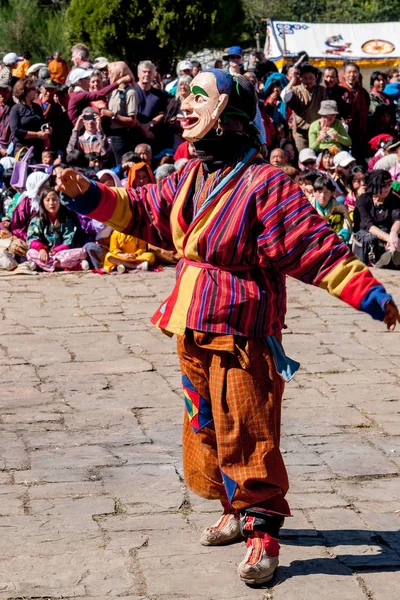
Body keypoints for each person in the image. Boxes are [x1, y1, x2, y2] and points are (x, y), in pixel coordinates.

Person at [58, 69, 399, 586]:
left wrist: (369, 294)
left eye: (200, 99)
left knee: (248, 425)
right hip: (191, 321)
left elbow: (315, 246)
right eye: (185, 100)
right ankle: (233, 508)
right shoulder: (188, 176)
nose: (185, 109)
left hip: (244, 324)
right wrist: (88, 195)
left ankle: (264, 529)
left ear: (230, 119)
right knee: (205, 424)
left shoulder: (267, 184)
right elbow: (144, 212)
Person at [26, 188, 86, 271]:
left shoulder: (67, 218)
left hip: (62, 253)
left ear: (59, 201)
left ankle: (44, 265)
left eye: (54, 200)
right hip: (45, 253)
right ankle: (62, 265)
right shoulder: (37, 219)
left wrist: (57, 250)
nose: (51, 203)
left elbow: (69, 240)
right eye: (47, 200)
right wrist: (41, 249)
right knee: (31, 253)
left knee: (81, 252)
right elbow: (32, 238)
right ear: (42, 202)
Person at [353, 169, 400, 268]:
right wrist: (389, 238)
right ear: (374, 185)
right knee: (371, 239)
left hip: (389, 236)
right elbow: (367, 225)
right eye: (383, 185)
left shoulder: (393, 199)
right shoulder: (362, 200)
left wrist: (394, 233)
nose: (387, 187)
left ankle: (391, 255)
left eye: (389, 184)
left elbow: (397, 218)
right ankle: (386, 259)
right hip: (370, 237)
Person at [281, 64, 327, 151]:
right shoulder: (296, 90)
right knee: (301, 156)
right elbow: (285, 97)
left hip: (317, 130)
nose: (308, 81)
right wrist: (293, 79)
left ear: (316, 77)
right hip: (300, 131)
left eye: (311, 78)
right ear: (301, 78)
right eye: (305, 78)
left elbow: (326, 109)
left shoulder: (321, 90)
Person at [100, 62, 137, 164]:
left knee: (119, 166)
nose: (108, 74)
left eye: (111, 71)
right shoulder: (111, 90)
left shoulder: (130, 92)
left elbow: (132, 121)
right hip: (108, 134)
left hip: (121, 137)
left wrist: (112, 115)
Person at [10, 171, 51, 257]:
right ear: (36, 187)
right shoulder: (25, 204)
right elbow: (18, 228)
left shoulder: (51, 200)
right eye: (44, 187)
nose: (48, 190)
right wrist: (34, 240)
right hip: (30, 239)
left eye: (48, 187)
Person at [9, 78, 50, 161]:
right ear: (25, 91)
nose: (36, 91)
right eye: (33, 89)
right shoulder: (16, 109)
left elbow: (42, 123)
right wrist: (37, 135)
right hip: (23, 150)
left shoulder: (37, 107)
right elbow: (15, 131)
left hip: (38, 149)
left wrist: (48, 129)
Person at [342, 63, 370, 162]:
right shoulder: (340, 90)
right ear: (344, 74)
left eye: (355, 72)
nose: (352, 75)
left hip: (360, 131)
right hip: (344, 131)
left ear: (358, 74)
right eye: (349, 72)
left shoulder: (363, 92)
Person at [311, 175, 352, 244]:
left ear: (332, 193)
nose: (322, 196)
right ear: (314, 193)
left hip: (336, 238)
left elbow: (347, 225)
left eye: (326, 192)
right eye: (319, 192)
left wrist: (341, 236)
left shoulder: (339, 207)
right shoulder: (310, 206)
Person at [135, 61, 168, 146]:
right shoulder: (131, 91)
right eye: (144, 72)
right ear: (138, 74)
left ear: (153, 75)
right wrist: (142, 127)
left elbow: (161, 114)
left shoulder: (160, 94)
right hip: (133, 132)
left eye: (149, 72)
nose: (146, 74)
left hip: (152, 135)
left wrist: (149, 125)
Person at [164, 74, 192, 149]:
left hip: (192, 133)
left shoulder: (195, 101)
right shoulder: (174, 102)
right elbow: (167, 119)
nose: (183, 87)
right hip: (177, 133)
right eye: (181, 84)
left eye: (186, 84)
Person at [0, 81, 14, 156]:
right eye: (0, 91)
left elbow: (16, 131)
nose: (2, 94)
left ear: (10, 92)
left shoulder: (15, 108)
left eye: (5, 91)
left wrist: (9, 150)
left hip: (11, 147)